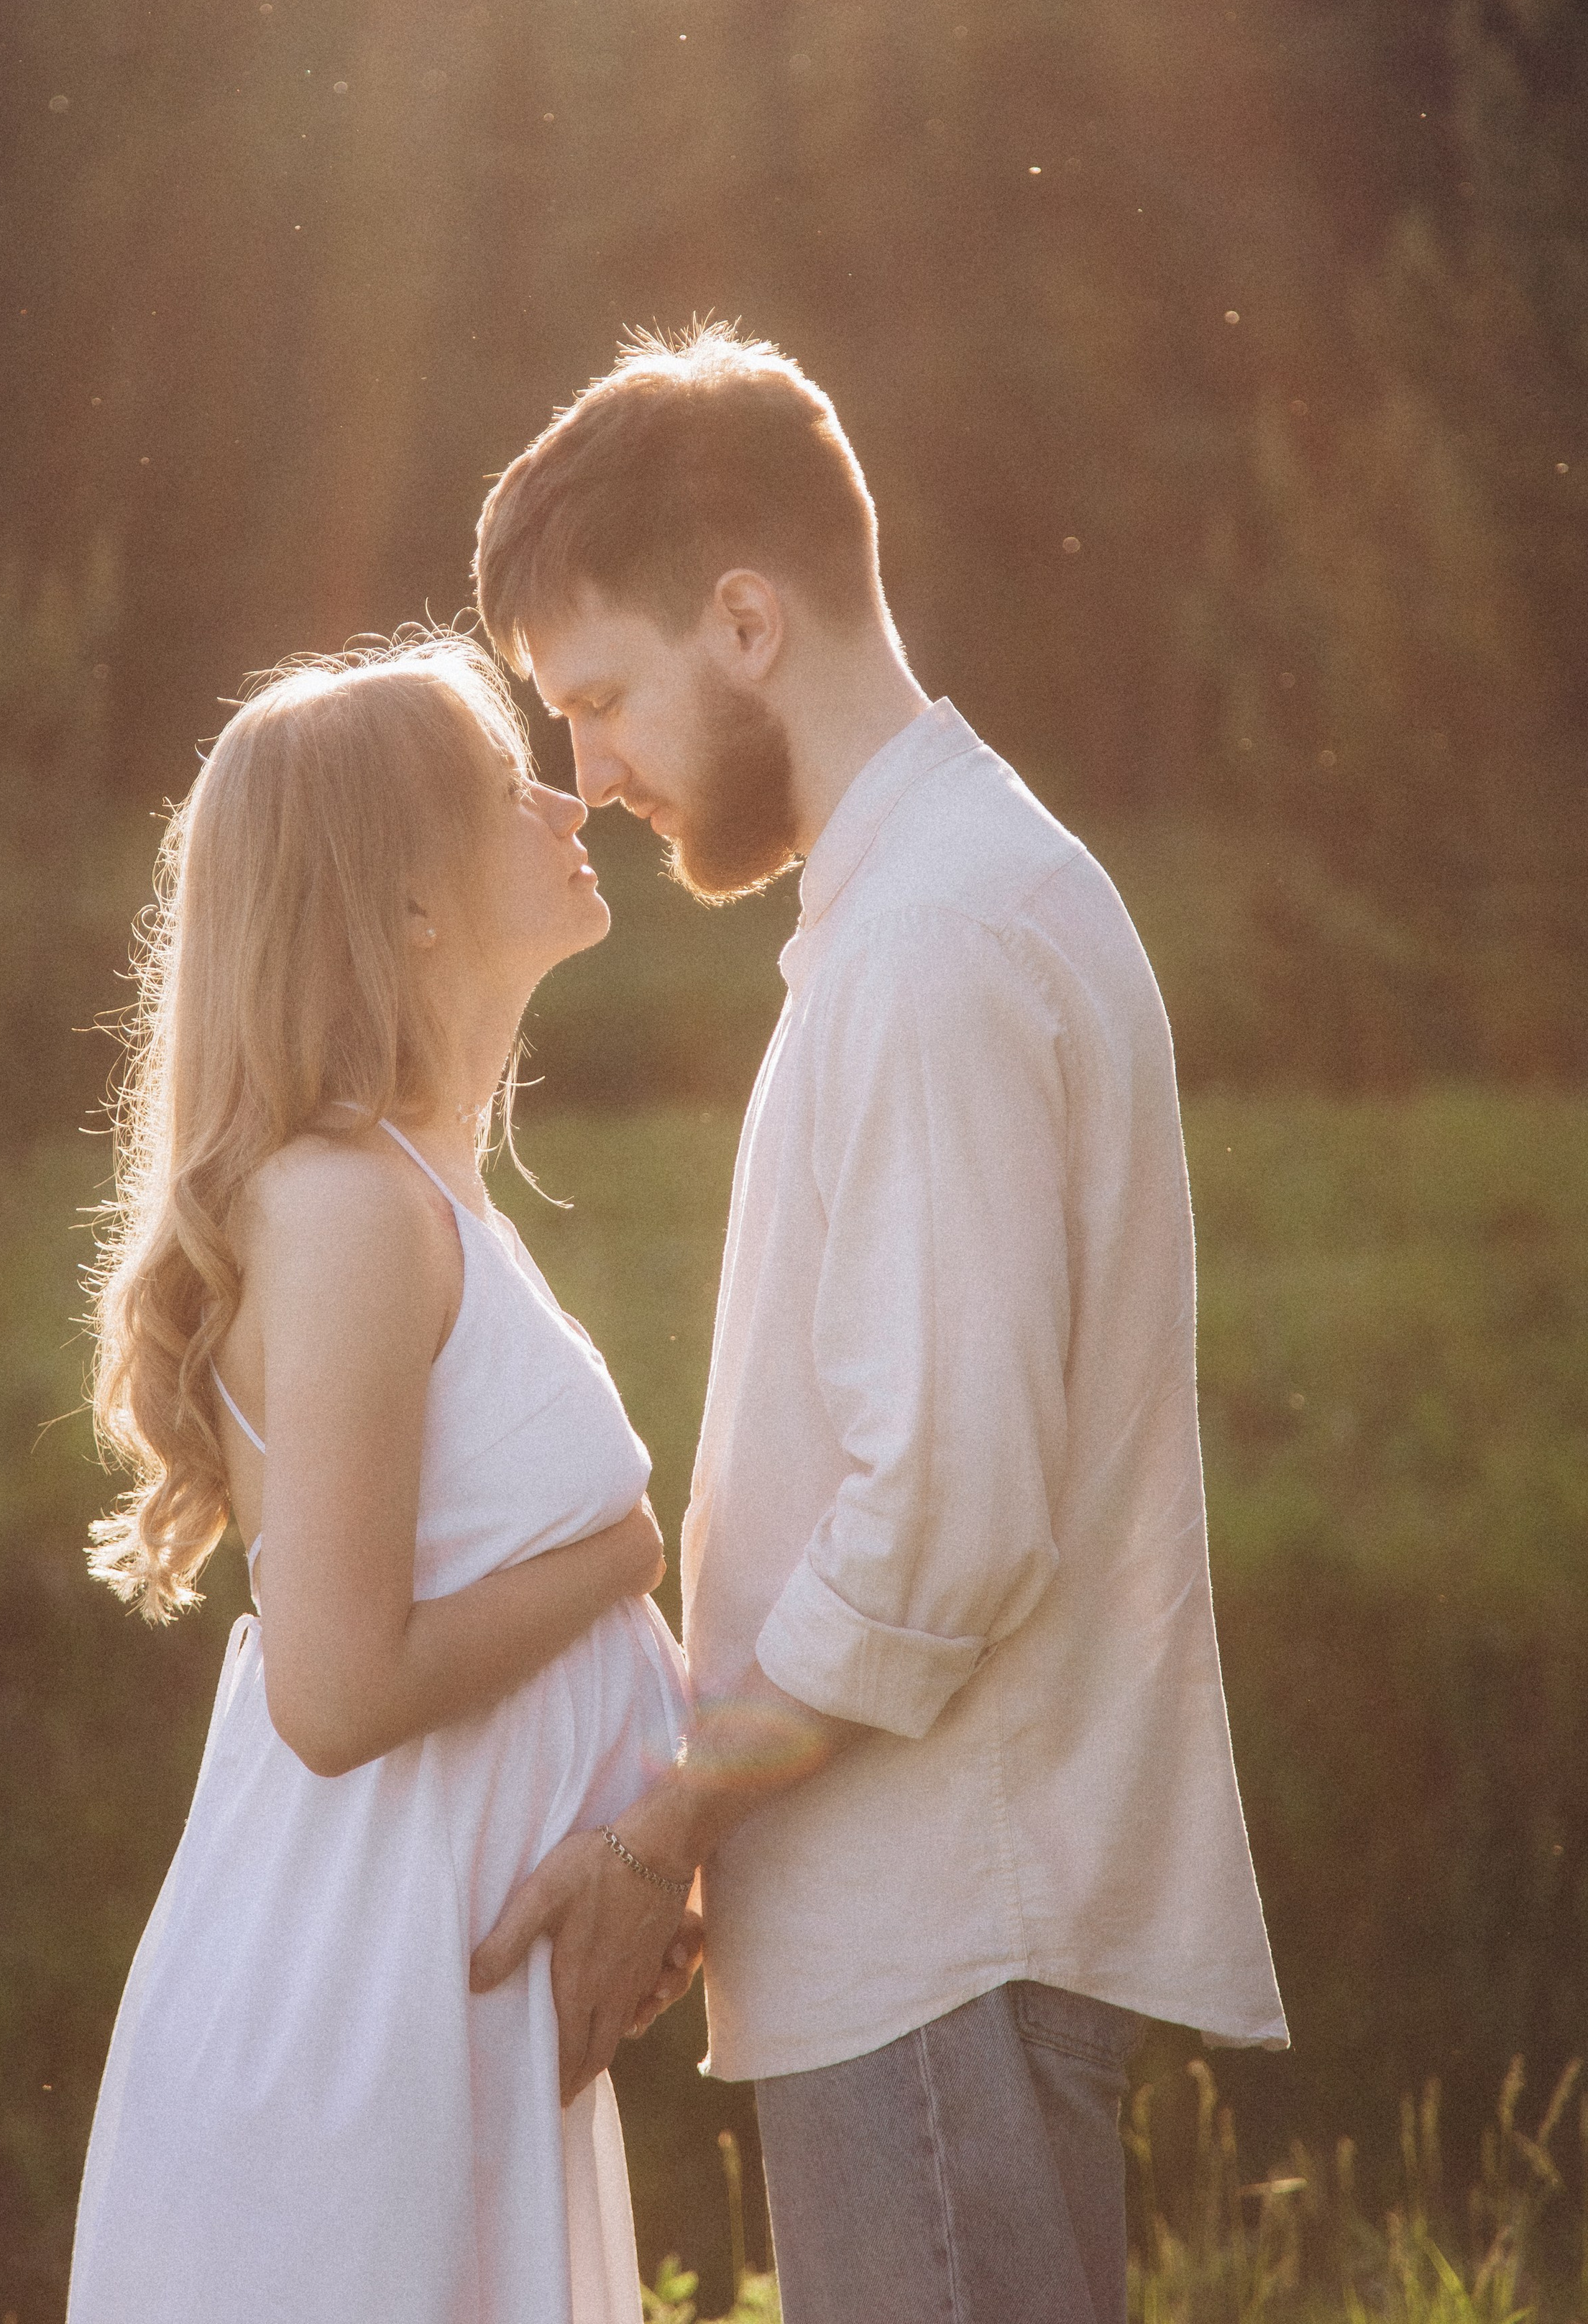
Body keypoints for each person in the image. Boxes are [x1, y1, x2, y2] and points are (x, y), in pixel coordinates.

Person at [469, 326, 1288, 2324]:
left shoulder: (933, 946)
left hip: (943, 1948)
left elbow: (943, 1519)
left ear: (745, 621)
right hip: (916, 1943)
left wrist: (674, 1817)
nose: (590, 779)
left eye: (601, 700)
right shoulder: (923, 901)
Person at [66, 636, 694, 2324]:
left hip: (439, 2006)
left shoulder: (422, 1190)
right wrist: (618, 1560)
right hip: (347, 2025)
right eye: (506, 787)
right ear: (406, 906)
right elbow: (335, 1692)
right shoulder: (347, 1209)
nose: (564, 796)